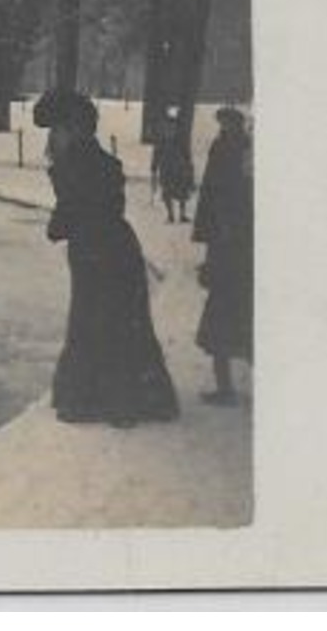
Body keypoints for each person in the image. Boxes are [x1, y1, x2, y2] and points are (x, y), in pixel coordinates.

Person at [34, 89, 180, 428]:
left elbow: (75, 208)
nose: (52, 138)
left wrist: (57, 226)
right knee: (122, 322)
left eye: (56, 130)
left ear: (71, 128)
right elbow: (99, 204)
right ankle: (130, 397)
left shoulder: (75, 162)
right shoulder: (96, 159)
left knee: (95, 320)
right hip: (113, 248)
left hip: (96, 251)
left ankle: (97, 399)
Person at [193, 106, 254, 406]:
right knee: (240, 321)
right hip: (235, 245)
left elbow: (216, 193)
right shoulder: (243, 149)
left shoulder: (230, 149)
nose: (222, 127)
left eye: (226, 123)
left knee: (223, 320)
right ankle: (226, 386)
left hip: (228, 243)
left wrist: (212, 233)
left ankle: (226, 388)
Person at [149, 107, 195, 223]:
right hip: (166, 169)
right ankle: (170, 215)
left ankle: (182, 215)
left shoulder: (180, 141)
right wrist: (154, 168)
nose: (170, 130)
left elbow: (187, 155)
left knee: (182, 192)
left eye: (172, 127)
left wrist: (189, 168)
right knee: (167, 192)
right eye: (167, 127)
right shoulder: (161, 142)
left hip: (179, 169)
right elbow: (156, 155)